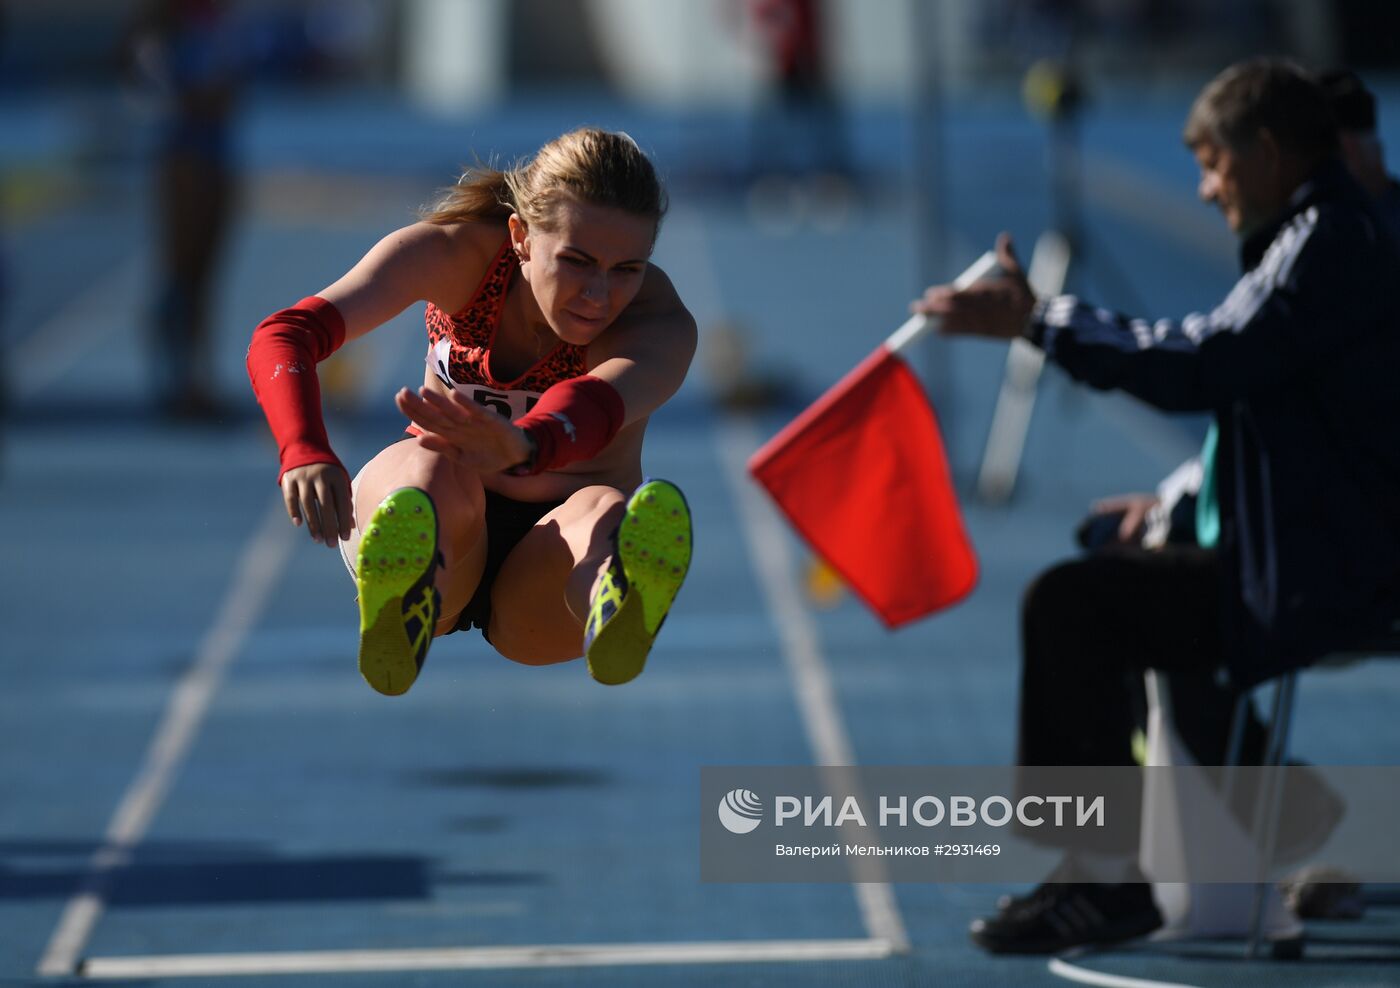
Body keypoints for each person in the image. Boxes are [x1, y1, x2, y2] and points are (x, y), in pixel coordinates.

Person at [912, 59, 1400, 954]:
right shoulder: (1321, 237)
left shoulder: (1332, 242)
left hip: (1345, 573)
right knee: (1100, 584)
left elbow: (1204, 363)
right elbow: (1256, 392)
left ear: (1266, 151)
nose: (1206, 190)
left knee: (1078, 605)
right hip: (1322, 553)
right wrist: (1180, 498)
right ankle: (1135, 862)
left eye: (1214, 164)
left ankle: (1111, 879)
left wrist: (1038, 321)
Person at [247, 128, 697, 695]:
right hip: (444, 522)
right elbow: (285, 335)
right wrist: (303, 449)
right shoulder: (453, 256)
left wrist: (528, 444)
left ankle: (616, 597)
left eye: (626, 269)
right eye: (578, 262)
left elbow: (597, 402)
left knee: (605, 511)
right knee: (426, 471)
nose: (599, 296)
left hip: (543, 572)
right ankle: (406, 595)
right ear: (521, 236)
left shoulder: (658, 324)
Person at [127, 0, 244, 420]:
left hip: (214, 153)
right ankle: (177, 376)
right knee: (184, 268)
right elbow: (170, 91)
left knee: (204, 272)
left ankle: (195, 377)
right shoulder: (164, 26)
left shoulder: (212, 19)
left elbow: (228, 87)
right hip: (183, 157)